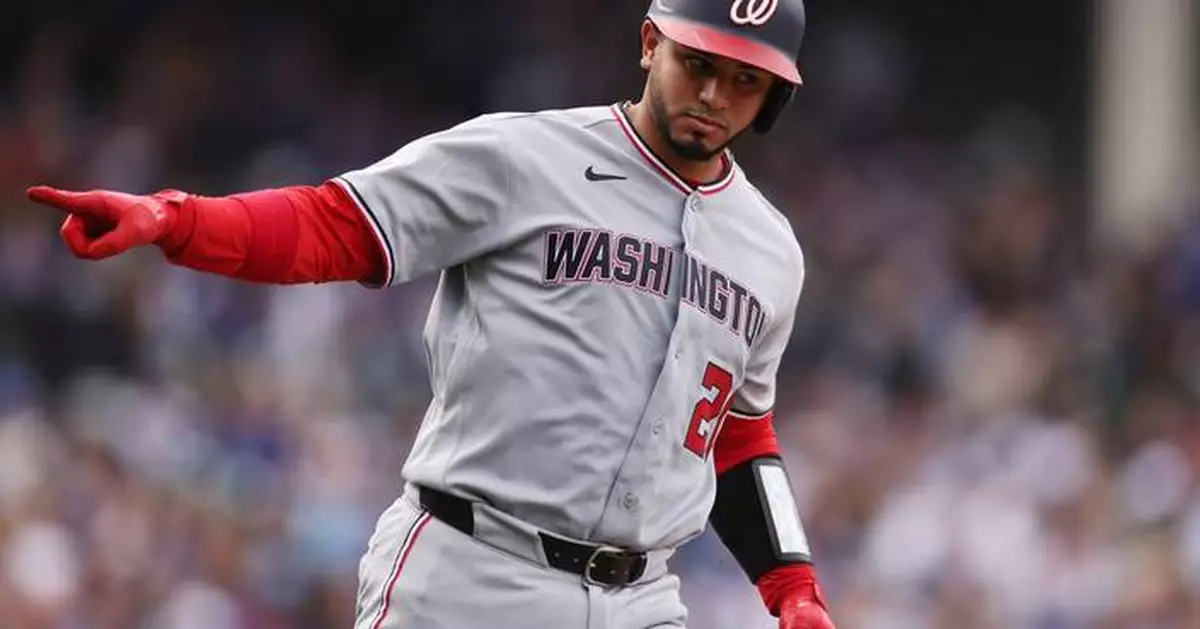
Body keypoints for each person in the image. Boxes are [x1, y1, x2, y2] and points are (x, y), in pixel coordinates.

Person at [27, 0, 835, 627]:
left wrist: (792, 583)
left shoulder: (770, 250)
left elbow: (737, 432)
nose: (712, 94)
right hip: (470, 569)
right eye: (699, 62)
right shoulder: (524, 158)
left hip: (641, 597)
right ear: (651, 43)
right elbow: (334, 224)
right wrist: (177, 219)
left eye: (743, 80)